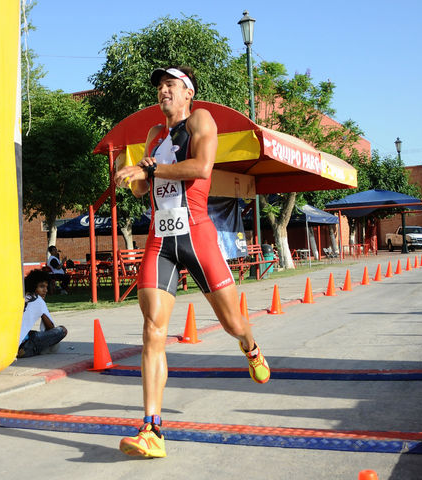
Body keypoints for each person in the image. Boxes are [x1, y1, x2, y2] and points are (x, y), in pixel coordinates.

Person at [113, 66, 270, 458]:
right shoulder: (154, 135)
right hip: (159, 238)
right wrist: (128, 177)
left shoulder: (201, 120)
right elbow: (143, 188)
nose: (163, 92)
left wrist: (148, 167)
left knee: (233, 322)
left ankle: (250, 348)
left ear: (187, 93)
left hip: (197, 235)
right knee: (152, 330)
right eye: (160, 87)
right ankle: (152, 429)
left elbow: (201, 168)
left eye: (171, 86)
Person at [17, 269, 68, 358]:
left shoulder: (20, 297)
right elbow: (50, 328)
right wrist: (43, 313)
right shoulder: (38, 300)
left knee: (30, 333)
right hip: (22, 344)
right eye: (41, 287)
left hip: (10, 341)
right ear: (33, 286)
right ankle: (26, 350)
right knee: (62, 330)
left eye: (46, 287)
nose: (45, 290)